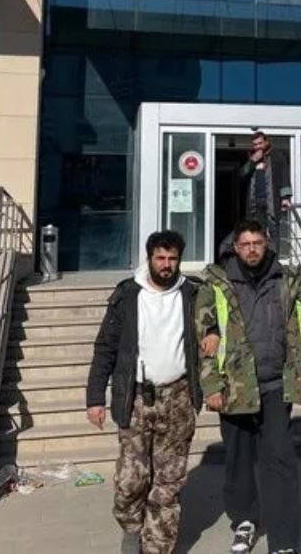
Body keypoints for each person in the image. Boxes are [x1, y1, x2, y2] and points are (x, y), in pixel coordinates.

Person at [196, 219, 301, 554]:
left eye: (257, 243)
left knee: (280, 463)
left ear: (267, 244)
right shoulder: (217, 284)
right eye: (245, 244)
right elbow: (204, 336)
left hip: (277, 386)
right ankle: (245, 521)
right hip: (234, 389)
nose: (252, 250)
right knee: (238, 463)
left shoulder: (288, 280)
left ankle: (283, 541)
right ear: (235, 247)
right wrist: (211, 385)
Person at [85, 230, 203, 554]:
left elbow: (216, 325)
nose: (166, 265)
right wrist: (95, 398)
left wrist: (213, 336)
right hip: (136, 397)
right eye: (160, 258)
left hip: (178, 397)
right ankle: (133, 528)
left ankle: (156, 546)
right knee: (130, 480)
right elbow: (105, 347)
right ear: (149, 258)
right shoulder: (127, 295)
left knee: (168, 483)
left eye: (172, 259)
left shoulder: (193, 294)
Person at [240, 131, 292, 248]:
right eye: (255, 144)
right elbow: (241, 175)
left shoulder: (277, 156)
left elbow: (285, 177)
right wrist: (253, 161)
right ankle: (261, 256)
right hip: (255, 202)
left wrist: (286, 197)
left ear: (266, 142)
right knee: (257, 232)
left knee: (274, 231)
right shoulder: (250, 157)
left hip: (272, 200)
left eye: (260, 143)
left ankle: (274, 257)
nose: (258, 146)